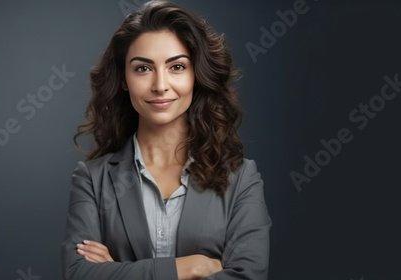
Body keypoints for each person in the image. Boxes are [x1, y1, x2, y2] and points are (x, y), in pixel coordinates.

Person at [61, 1, 271, 279]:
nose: (160, 85)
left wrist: (117, 272)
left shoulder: (242, 178)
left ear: (196, 74)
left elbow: (248, 276)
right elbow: (78, 274)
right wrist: (190, 267)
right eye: (143, 69)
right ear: (124, 78)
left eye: (177, 67)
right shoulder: (91, 179)